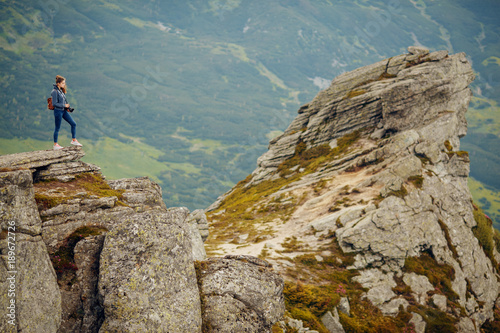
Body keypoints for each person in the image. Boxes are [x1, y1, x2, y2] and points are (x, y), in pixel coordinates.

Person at [51, 75, 82, 150]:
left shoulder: (61, 91)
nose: (64, 84)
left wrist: (67, 108)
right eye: (62, 83)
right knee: (57, 128)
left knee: (73, 123)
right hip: (58, 111)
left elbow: (63, 101)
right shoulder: (54, 92)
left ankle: (74, 140)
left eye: (64, 83)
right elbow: (54, 104)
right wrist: (64, 105)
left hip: (63, 110)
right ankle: (55, 145)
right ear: (58, 83)